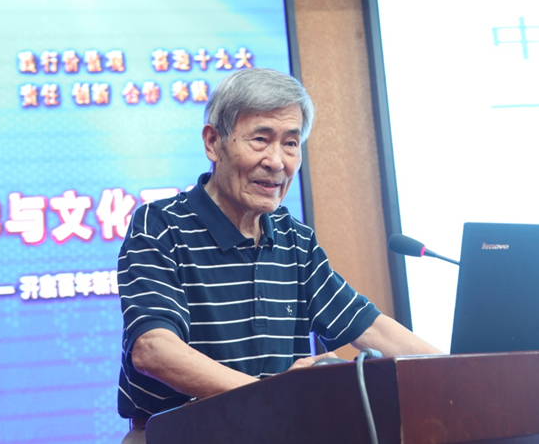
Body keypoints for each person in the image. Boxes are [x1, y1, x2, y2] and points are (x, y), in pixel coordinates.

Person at [117, 68, 440, 443]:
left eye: (290, 143)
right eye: (260, 139)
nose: (276, 161)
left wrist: (461, 375)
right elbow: (154, 350)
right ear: (213, 142)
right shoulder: (160, 226)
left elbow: (371, 329)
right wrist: (273, 397)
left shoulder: (294, 239)